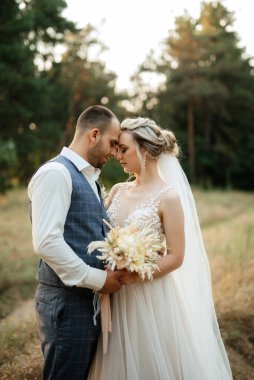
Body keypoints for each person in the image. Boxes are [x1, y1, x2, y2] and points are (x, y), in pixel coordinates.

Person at [88, 117, 233, 380]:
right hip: (115, 290)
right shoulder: (118, 191)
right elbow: (102, 234)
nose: (117, 155)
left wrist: (136, 274)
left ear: (144, 150)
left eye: (124, 149)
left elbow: (177, 256)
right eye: (117, 148)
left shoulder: (169, 196)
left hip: (150, 294)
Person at [28, 105, 125, 380]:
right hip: (65, 304)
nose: (115, 153)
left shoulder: (89, 178)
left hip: (83, 303)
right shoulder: (56, 174)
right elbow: (47, 242)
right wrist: (98, 279)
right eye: (112, 143)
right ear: (94, 134)